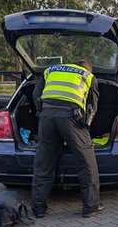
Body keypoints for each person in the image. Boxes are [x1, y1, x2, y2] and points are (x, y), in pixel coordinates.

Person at [31, 60, 103, 218]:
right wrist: (85, 126)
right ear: (88, 69)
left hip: (47, 117)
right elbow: (93, 107)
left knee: (43, 163)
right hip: (71, 118)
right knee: (86, 162)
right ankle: (91, 207)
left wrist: (41, 113)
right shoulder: (88, 77)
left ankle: (38, 208)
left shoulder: (50, 70)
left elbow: (36, 95)